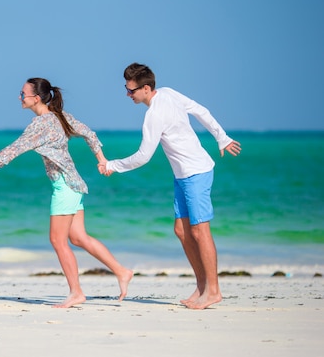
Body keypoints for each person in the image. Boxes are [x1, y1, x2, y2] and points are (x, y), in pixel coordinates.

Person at [0, 78, 134, 308]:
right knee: (78, 238)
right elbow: (90, 134)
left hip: (65, 187)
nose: (20, 97)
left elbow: (13, 150)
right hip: (74, 184)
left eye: (23, 93)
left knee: (58, 240)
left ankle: (76, 292)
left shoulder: (41, 124)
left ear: (36, 98)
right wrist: (102, 161)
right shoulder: (61, 116)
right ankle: (121, 271)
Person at [99, 63, 241, 310]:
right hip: (183, 174)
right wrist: (221, 137)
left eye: (131, 90)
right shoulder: (167, 92)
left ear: (145, 88)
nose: (127, 94)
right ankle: (202, 286)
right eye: (126, 89)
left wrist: (113, 165)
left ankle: (214, 291)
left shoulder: (154, 114)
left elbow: (144, 156)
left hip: (196, 171)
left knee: (199, 231)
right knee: (182, 230)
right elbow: (201, 110)